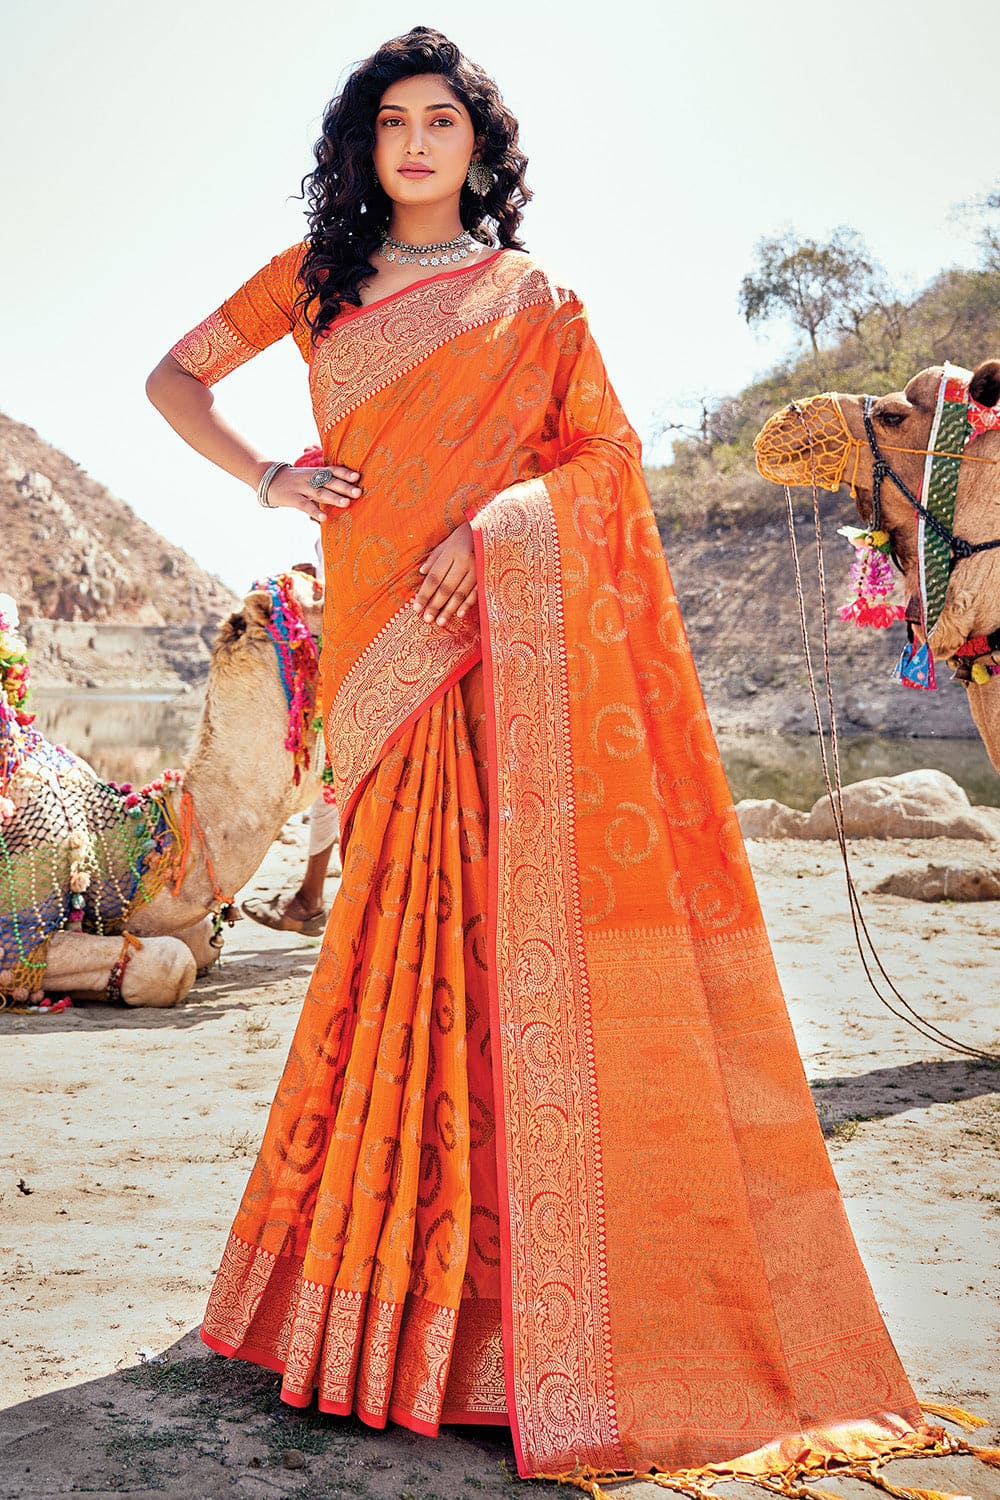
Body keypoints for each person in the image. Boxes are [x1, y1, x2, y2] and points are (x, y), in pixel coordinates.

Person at [145, 26, 957, 1493]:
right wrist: (269, 474)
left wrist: (495, 534)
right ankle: (368, 1298)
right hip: (388, 649)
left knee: (505, 947)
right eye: (388, 120)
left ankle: (497, 1318)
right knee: (392, 944)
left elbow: (601, 462)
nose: (412, 143)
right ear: (360, 144)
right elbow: (175, 379)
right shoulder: (315, 283)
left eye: (438, 119)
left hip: (496, 639)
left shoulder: (536, 300)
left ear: (478, 142)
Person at [243, 551, 342, 936]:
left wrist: (302, 599)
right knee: (329, 784)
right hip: (340, 659)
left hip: (364, 655)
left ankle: (315, 902)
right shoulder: (325, 518)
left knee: (338, 784)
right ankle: (312, 900)